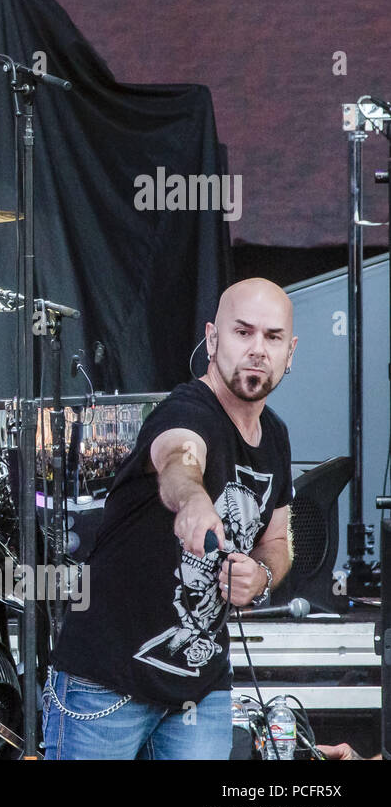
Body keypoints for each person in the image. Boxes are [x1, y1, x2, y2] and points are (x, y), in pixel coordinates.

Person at [44, 278, 297, 759]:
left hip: (200, 689)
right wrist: (193, 501)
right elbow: (180, 458)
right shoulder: (184, 411)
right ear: (213, 337)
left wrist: (261, 575)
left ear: (291, 352)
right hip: (108, 679)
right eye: (243, 332)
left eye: (273, 337)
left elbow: (279, 537)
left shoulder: (277, 437)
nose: (258, 350)